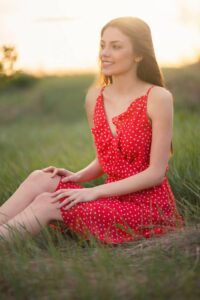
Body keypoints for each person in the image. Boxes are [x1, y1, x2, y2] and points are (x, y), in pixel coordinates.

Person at [0, 16, 185, 244]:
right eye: (102, 45)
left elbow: (156, 173)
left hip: (147, 209)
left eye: (115, 46)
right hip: (111, 200)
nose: (104, 53)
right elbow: (106, 158)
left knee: (48, 203)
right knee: (42, 178)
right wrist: (79, 176)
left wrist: (92, 192)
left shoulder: (158, 97)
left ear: (139, 54)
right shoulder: (95, 98)